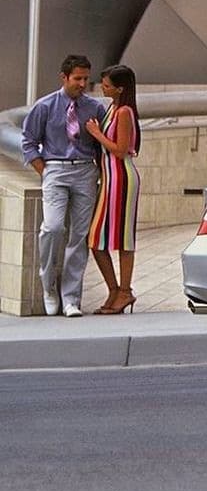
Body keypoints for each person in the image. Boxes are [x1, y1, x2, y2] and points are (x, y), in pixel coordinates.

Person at [21, 53, 107, 318]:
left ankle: (71, 298)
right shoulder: (45, 106)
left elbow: (102, 144)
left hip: (85, 172)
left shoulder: (94, 108)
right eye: (77, 78)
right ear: (64, 77)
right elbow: (28, 142)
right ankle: (48, 285)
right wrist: (46, 172)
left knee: (79, 237)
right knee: (53, 227)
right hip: (55, 170)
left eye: (86, 79)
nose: (83, 84)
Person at [85, 64, 142, 314]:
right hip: (110, 179)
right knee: (97, 239)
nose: (103, 88)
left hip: (122, 179)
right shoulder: (113, 108)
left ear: (120, 89)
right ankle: (115, 290)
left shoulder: (125, 112)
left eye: (107, 85)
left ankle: (125, 291)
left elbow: (120, 150)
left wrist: (96, 133)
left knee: (122, 237)